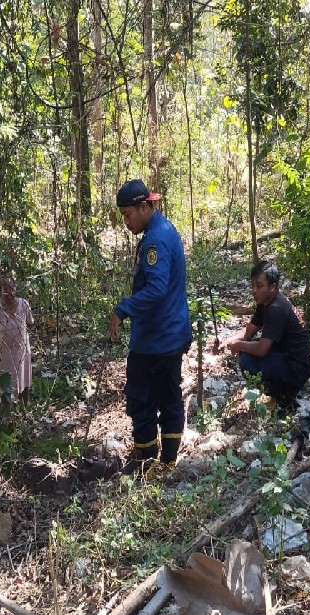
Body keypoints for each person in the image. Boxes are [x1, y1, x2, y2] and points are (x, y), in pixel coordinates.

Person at [108, 179, 191, 467]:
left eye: (128, 215)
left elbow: (156, 289)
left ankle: (146, 461)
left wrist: (123, 309)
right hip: (170, 333)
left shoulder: (155, 239)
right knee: (169, 397)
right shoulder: (163, 229)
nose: (127, 223)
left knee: (142, 399)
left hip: (158, 339)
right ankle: (167, 462)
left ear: (144, 206)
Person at [225, 260, 310, 409]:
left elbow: (261, 349)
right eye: (252, 285)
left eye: (259, 286)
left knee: (247, 358)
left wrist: (239, 345)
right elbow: (249, 330)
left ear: (272, 287)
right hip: (286, 356)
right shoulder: (265, 302)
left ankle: (281, 393)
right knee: (249, 347)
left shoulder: (276, 308)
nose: (254, 290)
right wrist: (227, 341)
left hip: (296, 368)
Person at [0, 274, 34, 404]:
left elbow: (30, 322)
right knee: (5, 380)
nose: (7, 292)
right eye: (4, 289)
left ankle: (24, 407)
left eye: (10, 288)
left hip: (22, 350)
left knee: (24, 378)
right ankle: (6, 411)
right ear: (0, 291)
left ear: (15, 289)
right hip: (4, 352)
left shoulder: (23, 305)